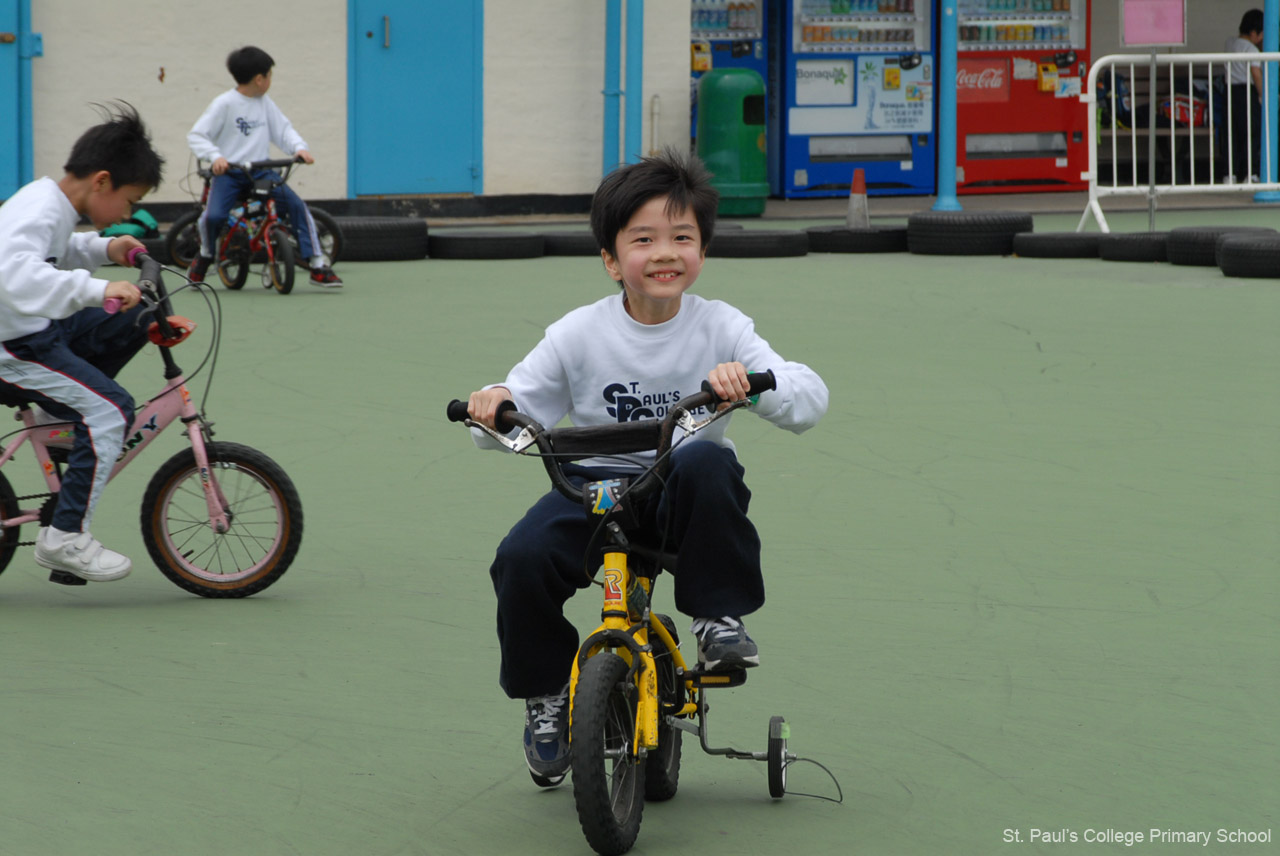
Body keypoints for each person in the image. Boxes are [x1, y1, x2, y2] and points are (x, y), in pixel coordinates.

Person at [458, 149, 829, 786]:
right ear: (610, 259)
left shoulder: (722, 326)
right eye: (644, 239)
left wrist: (756, 385)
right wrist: (492, 407)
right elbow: (516, 413)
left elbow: (809, 397)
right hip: (593, 491)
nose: (665, 252)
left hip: (680, 498)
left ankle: (717, 617)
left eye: (682, 237)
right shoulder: (576, 334)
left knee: (708, 459)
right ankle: (546, 696)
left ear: (702, 252)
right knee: (519, 557)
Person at [0, 103, 163, 582]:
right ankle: (64, 538)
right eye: (129, 201)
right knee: (112, 410)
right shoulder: (38, 208)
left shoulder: (53, 204)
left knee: (136, 317)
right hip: (12, 349)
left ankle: (62, 412)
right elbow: (12, 275)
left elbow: (60, 250)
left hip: (36, 331)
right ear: (102, 181)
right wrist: (99, 288)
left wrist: (106, 247)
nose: (128, 213)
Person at [186, 46, 341, 287]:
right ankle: (205, 255)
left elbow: (284, 131)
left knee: (297, 206)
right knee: (214, 216)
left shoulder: (265, 104)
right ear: (260, 79)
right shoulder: (224, 104)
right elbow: (197, 135)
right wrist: (215, 156)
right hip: (230, 173)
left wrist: (298, 148)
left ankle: (318, 265)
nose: (270, 80)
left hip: (261, 172)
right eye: (269, 75)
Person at [1224, 9, 1265, 183]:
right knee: (1252, 133)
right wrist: (1263, 94)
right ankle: (1251, 173)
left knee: (1231, 133)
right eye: (1262, 34)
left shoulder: (1230, 43)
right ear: (1254, 33)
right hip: (1247, 93)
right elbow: (1256, 73)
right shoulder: (1252, 50)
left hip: (1229, 92)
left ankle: (1230, 173)